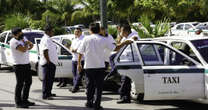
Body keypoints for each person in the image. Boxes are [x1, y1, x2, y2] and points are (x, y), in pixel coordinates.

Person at [77, 23, 132, 110]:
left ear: (90, 30)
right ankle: (97, 104)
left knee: (89, 85)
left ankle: (89, 102)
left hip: (89, 66)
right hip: (100, 66)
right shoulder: (103, 39)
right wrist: (125, 42)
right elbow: (115, 48)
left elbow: (80, 52)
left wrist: (79, 64)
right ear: (99, 30)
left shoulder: (86, 39)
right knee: (99, 87)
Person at [10, 27, 35, 108]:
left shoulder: (23, 38)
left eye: (21, 32)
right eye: (20, 33)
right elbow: (23, 49)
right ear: (15, 35)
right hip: (19, 65)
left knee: (28, 82)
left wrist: (28, 44)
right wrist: (27, 43)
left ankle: (25, 100)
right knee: (20, 84)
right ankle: (18, 102)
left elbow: (30, 46)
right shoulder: (13, 42)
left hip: (26, 64)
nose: (22, 34)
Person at [116, 24, 140, 104]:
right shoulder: (124, 37)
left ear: (126, 31)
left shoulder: (133, 35)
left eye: (121, 31)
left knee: (125, 80)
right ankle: (124, 97)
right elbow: (117, 43)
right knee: (124, 80)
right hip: (124, 61)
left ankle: (124, 97)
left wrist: (125, 42)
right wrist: (120, 36)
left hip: (130, 62)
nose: (120, 32)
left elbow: (134, 38)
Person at [39, 25, 58, 100]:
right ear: (48, 31)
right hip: (48, 63)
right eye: (52, 31)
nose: (53, 32)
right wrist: (48, 61)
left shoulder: (48, 39)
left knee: (50, 79)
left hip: (51, 62)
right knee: (47, 79)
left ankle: (49, 92)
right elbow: (45, 51)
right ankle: (45, 94)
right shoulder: (46, 39)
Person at [70, 27, 85, 93]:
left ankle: (75, 87)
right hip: (74, 58)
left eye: (77, 31)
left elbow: (81, 49)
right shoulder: (74, 39)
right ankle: (76, 87)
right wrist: (72, 49)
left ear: (80, 32)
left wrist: (75, 50)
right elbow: (71, 47)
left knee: (79, 74)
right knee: (74, 74)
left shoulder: (83, 39)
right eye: (75, 31)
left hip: (81, 59)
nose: (76, 33)